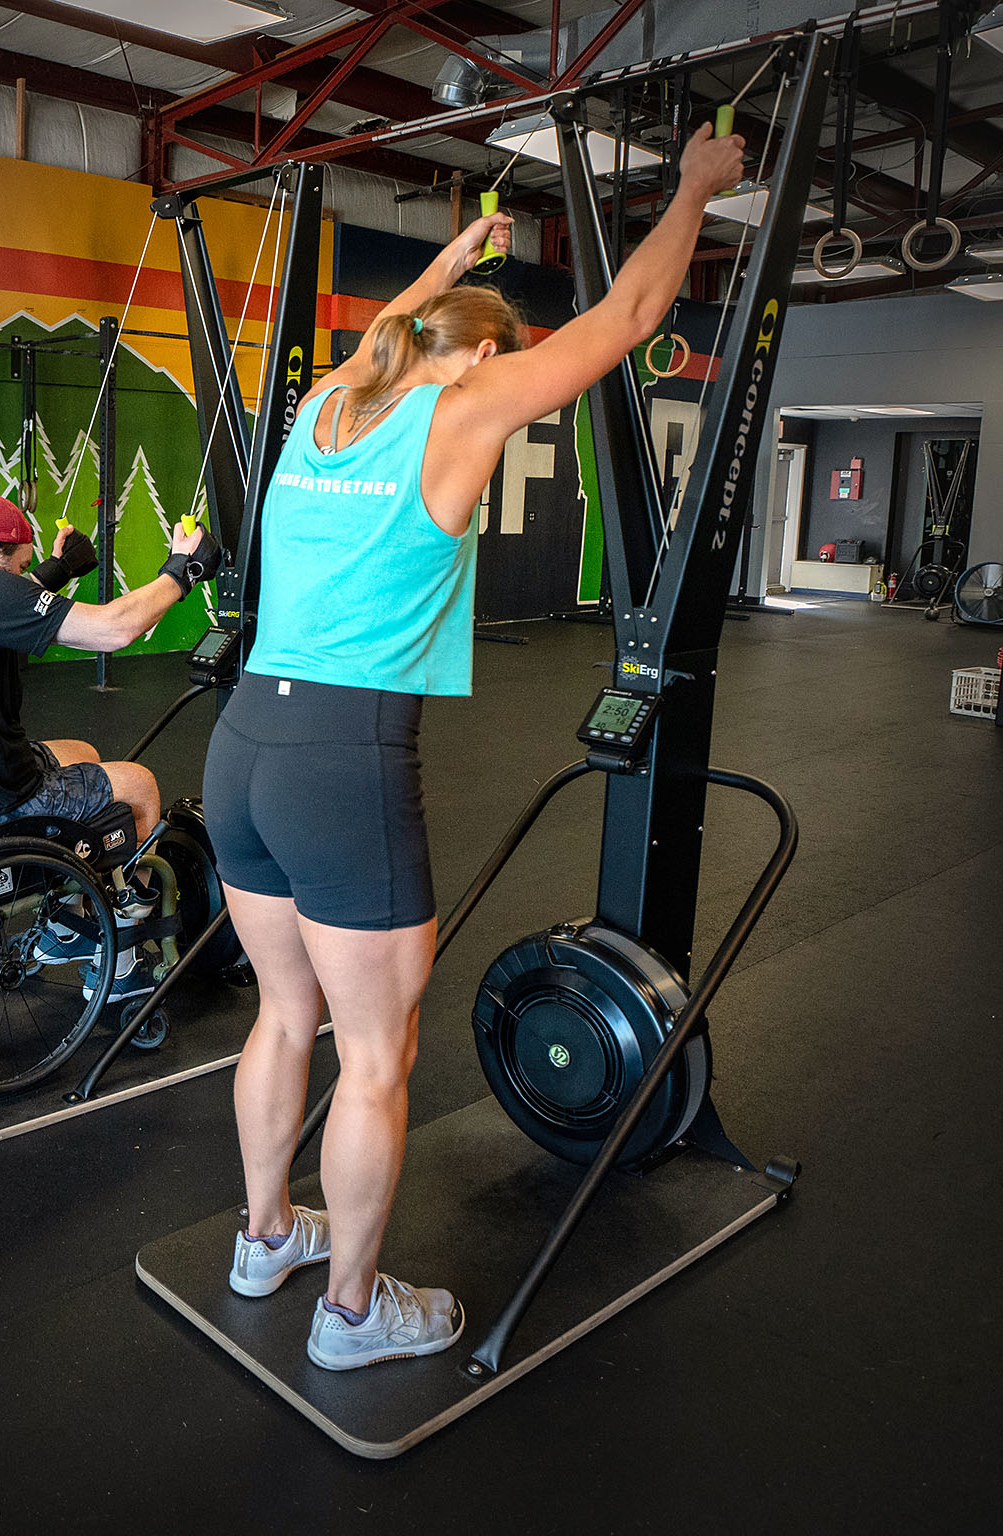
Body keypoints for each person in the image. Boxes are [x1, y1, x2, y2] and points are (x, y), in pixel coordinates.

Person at [203, 121, 748, 1371]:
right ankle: (351, 1317)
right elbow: (630, 315)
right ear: (488, 353)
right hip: (343, 756)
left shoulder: (329, 404)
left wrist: (448, 264)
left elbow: (385, 333)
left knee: (284, 1014)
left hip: (245, 743)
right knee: (376, 1057)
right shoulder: (464, 407)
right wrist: (695, 188)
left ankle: (265, 1239)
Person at [0, 490, 214, 849]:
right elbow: (116, 628)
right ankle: (133, 888)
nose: (21, 576)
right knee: (139, 785)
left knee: (82, 752)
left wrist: (58, 569)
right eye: (20, 566)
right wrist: (182, 570)